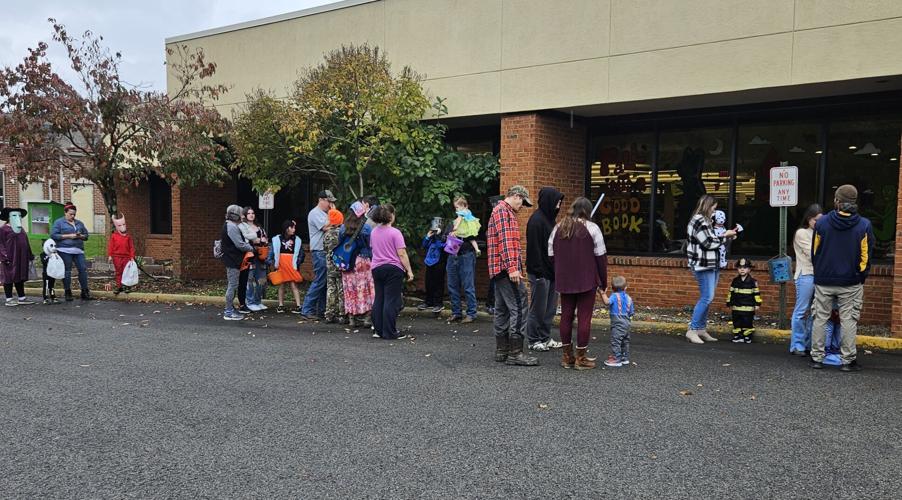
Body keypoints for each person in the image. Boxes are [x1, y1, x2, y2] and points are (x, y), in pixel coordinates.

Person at [810, 185, 874, 372]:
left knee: (820, 318)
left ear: (836, 201)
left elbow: (815, 252)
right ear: (854, 202)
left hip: (824, 279)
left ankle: (817, 358)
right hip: (851, 281)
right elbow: (866, 257)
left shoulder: (822, 223)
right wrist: (861, 276)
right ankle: (848, 360)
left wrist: (820, 271)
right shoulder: (864, 225)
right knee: (848, 320)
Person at [548, 197, 607, 370]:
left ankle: (567, 357)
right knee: (584, 317)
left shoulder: (559, 227)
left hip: (565, 279)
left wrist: (560, 270)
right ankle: (581, 358)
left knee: (566, 316)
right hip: (586, 279)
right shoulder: (592, 228)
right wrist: (602, 281)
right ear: (587, 211)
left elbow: (551, 254)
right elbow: (600, 257)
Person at [487, 185, 538, 366]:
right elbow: (506, 241)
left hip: (498, 269)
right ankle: (515, 353)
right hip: (506, 269)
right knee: (519, 305)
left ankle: (502, 350)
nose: (522, 206)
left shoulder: (499, 211)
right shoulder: (504, 212)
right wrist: (512, 268)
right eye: (523, 202)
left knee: (502, 308)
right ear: (516, 196)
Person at [685, 195, 737, 344]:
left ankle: (700, 328)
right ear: (708, 206)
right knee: (706, 297)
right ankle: (692, 330)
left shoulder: (705, 220)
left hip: (710, 263)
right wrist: (725, 235)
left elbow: (712, 240)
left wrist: (725, 237)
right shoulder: (699, 220)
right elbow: (708, 242)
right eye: (714, 207)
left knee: (708, 298)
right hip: (703, 264)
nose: (715, 211)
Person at [526, 187, 564, 351]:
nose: (559, 204)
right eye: (557, 201)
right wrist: (538, 272)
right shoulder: (536, 221)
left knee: (550, 309)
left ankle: (545, 337)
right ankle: (534, 339)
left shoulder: (550, 220)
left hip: (552, 271)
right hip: (540, 272)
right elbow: (533, 249)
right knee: (538, 308)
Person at [369, 204, 414, 340]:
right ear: (391, 216)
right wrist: (409, 271)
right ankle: (389, 332)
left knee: (379, 298)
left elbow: (373, 249)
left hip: (377, 267)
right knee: (391, 300)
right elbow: (401, 253)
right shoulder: (395, 232)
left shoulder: (374, 232)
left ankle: (378, 330)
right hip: (393, 268)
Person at [789, 204, 823, 355]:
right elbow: (812, 254)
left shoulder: (821, 233)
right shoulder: (802, 233)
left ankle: (809, 344)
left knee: (814, 312)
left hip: (819, 275)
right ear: (809, 219)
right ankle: (797, 345)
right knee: (802, 310)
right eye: (816, 220)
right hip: (806, 274)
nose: (818, 223)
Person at [301, 190, 336, 320]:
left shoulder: (325, 213)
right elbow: (327, 226)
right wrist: (334, 214)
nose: (331, 204)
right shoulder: (315, 213)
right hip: (319, 250)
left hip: (325, 250)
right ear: (321, 200)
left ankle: (321, 310)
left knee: (325, 282)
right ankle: (307, 309)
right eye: (329, 201)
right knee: (320, 280)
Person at [341, 203, 375, 328]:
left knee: (350, 289)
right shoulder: (366, 228)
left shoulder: (343, 228)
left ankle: (351, 318)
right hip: (363, 261)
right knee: (366, 289)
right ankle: (367, 317)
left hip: (348, 261)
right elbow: (370, 245)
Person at [51, 203, 93, 301]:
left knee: (83, 269)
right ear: (65, 213)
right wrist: (69, 236)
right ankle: (68, 291)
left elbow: (86, 235)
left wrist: (80, 236)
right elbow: (54, 235)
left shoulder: (79, 223)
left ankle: (85, 291)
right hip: (64, 250)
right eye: (70, 214)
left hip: (78, 250)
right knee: (67, 271)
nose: (73, 216)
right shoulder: (59, 222)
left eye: (74, 214)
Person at [446, 197, 479, 323]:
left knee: (468, 285)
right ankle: (456, 312)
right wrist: (449, 235)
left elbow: (474, 237)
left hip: (466, 254)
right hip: (452, 254)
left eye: (459, 207)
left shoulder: (472, 222)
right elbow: (445, 236)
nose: (457, 210)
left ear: (466, 206)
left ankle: (471, 313)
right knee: (452, 285)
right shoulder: (453, 222)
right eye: (456, 208)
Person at [220, 204, 255, 321]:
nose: (242, 217)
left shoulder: (229, 225)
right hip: (232, 260)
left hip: (232, 259)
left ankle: (230, 309)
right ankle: (228, 311)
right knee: (232, 285)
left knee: (233, 285)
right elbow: (239, 244)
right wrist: (251, 248)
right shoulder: (232, 227)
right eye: (240, 215)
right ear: (235, 216)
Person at [0, 207, 35, 306]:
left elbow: (26, 242)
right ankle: (9, 299)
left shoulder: (21, 229)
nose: (18, 218)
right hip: (10, 257)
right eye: (15, 216)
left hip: (21, 256)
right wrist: (4, 256)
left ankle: (21, 297)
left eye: (19, 216)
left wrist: (29, 254)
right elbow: (1, 244)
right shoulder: (3, 229)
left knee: (19, 276)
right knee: (8, 277)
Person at [269, 219, 304, 314]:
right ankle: (281, 305)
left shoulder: (297, 239)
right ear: (286, 228)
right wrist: (270, 260)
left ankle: (298, 305)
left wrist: (298, 262)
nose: (294, 229)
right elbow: (272, 251)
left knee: (293, 284)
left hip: (291, 263)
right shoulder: (277, 239)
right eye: (291, 227)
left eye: (294, 227)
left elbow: (301, 253)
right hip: (281, 263)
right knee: (281, 284)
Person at [725, 258, 762, 344]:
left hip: (748, 308)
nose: (742, 269)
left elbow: (756, 293)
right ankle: (738, 335)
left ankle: (747, 336)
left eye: (745, 267)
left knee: (747, 322)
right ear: (737, 269)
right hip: (736, 307)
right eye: (740, 267)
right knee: (736, 322)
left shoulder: (753, 282)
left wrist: (757, 304)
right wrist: (729, 302)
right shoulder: (735, 281)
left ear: (749, 269)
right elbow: (731, 292)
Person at [240, 207, 269, 312]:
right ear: (245, 215)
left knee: (261, 280)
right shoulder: (243, 227)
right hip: (250, 256)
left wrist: (263, 240)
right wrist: (255, 241)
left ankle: (258, 301)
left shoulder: (259, 227)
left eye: (253, 213)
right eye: (249, 213)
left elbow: (265, 239)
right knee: (250, 280)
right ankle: (250, 302)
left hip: (261, 256)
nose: (251, 215)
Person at [602, 276, 634, 368]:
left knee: (616, 341)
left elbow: (607, 302)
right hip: (627, 323)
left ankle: (616, 359)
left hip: (617, 324)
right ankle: (625, 358)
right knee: (625, 341)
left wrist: (602, 293)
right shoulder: (629, 298)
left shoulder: (614, 296)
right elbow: (631, 312)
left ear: (612, 288)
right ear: (626, 287)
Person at [323, 206, 347, 324]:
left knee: (330, 289)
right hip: (340, 264)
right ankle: (342, 314)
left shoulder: (327, 234)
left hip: (329, 264)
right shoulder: (342, 233)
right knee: (341, 289)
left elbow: (325, 248)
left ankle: (329, 313)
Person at [420, 219, 446, 314]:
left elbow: (442, 246)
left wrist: (439, 236)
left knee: (438, 283)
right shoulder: (431, 238)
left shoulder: (443, 236)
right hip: (429, 262)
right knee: (428, 282)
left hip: (439, 262)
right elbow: (423, 245)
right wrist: (427, 236)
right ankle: (428, 301)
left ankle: (438, 303)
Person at [107, 214, 136, 295]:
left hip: (126, 258)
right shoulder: (114, 236)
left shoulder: (128, 237)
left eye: (124, 224)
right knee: (119, 272)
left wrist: (132, 256)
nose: (122, 226)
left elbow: (131, 247)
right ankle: (119, 286)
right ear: (117, 226)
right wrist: (110, 255)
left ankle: (126, 286)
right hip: (117, 257)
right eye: (120, 225)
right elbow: (111, 246)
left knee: (127, 272)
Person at [40, 239, 60, 304]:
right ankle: (45, 298)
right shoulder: (43, 254)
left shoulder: (55, 254)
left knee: (52, 285)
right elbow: (44, 262)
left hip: (52, 272)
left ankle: (53, 297)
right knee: (46, 285)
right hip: (46, 273)